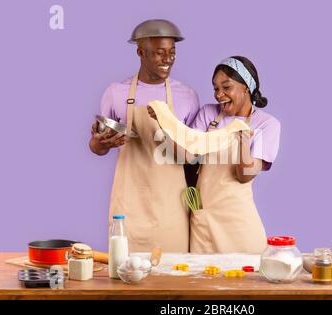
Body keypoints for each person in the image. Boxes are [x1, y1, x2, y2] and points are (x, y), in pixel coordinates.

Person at [89, 19, 199, 252]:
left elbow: (193, 155)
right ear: (141, 52)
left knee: (173, 276)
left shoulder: (187, 95)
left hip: (172, 205)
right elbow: (98, 145)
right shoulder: (116, 93)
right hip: (128, 206)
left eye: (172, 53)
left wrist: (196, 204)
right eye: (160, 53)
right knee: (125, 272)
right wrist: (99, 143)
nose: (168, 59)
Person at [189, 56, 281, 253]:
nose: (219, 94)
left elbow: (244, 175)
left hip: (239, 223)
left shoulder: (267, 124)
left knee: (244, 281)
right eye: (215, 88)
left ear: (246, 87)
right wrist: (164, 122)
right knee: (200, 281)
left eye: (226, 87)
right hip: (204, 222)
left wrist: (243, 140)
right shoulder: (208, 114)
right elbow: (189, 155)